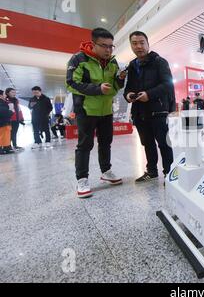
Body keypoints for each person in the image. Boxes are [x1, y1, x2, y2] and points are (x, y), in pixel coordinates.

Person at [66, 28, 125, 198]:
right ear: (93, 45)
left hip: (106, 110)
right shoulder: (79, 59)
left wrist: (119, 81)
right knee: (85, 145)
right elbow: (71, 83)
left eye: (111, 46)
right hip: (86, 110)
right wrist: (97, 89)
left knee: (106, 141)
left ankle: (106, 171)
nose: (108, 50)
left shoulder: (113, 63)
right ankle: (82, 179)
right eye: (104, 46)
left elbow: (113, 89)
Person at [124, 31, 175, 183]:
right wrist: (128, 95)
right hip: (139, 112)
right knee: (147, 144)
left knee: (164, 144)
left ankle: (169, 173)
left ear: (147, 43)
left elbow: (167, 85)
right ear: (131, 46)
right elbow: (128, 88)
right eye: (134, 43)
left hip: (158, 110)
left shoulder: (160, 61)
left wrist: (149, 94)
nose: (138, 46)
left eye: (141, 42)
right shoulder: (132, 66)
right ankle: (152, 171)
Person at [0, 90, 14, 155]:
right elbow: (3, 112)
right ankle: (3, 149)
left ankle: (7, 148)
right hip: (3, 123)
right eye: (4, 94)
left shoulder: (3, 102)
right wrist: (11, 110)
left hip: (5, 122)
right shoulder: (1, 103)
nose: (5, 96)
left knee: (6, 136)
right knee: (3, 136)